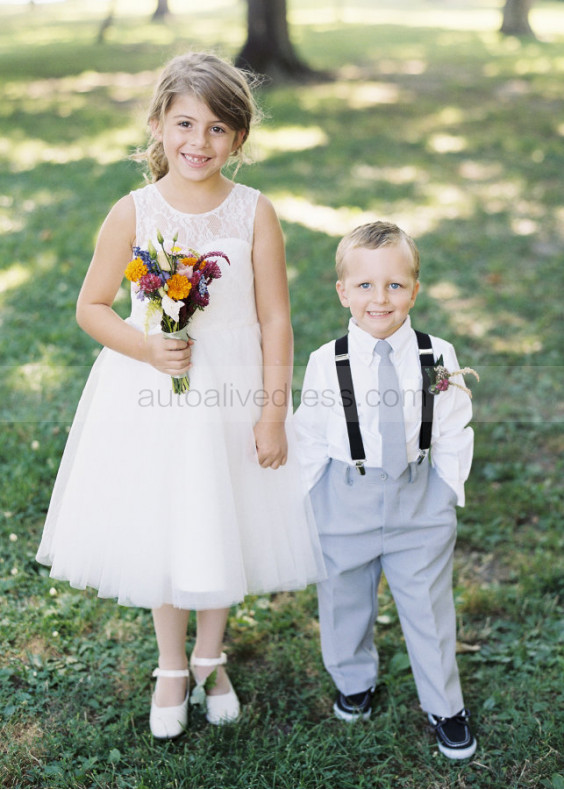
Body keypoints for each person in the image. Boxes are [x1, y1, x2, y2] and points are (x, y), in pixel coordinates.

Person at [36, 51, 325, 740]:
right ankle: (171, 664)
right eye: (186, 123)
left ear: (240, 140)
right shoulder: (133, 210)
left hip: (233, 388)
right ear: (160, 124)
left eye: (219, 129)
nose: (200, 142)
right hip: (153, 390)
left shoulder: (255, 213)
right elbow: (92, 306)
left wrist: (273, 410)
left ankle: (210, 655)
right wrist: (148, 347)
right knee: (168, 519)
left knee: (224, 515)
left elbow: (275, 317)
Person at [294, 221, 477, 760]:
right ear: (343, 292)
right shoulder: (326, 362)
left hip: (419, 498)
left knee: (427, 604)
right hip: (343, 495)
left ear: (414, 290)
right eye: (366, 286)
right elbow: (309, 433)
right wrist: (300, 503)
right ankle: (354, 681)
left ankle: (446, 705)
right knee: (343, 596)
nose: (381, 299)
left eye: (395, 285)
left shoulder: (436, 354)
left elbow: (452, 425)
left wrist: (446, 489)